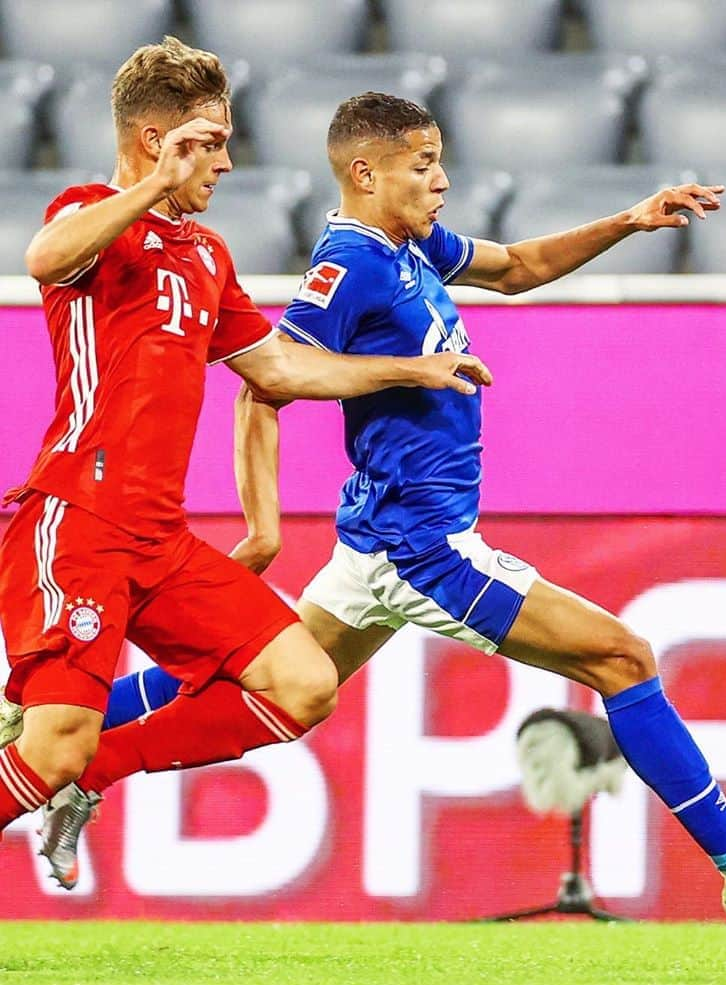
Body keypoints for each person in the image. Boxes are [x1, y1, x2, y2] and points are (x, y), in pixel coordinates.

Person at [18, 92, 726, 938]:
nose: (440, 181)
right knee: (623, 657)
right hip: (419, 546)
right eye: (423, 165)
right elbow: (267, 384)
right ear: (367, 172)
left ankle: (57, 745)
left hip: (372, 543)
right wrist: (267, 520)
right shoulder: (348, 265)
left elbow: (518, 269)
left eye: (439, 162)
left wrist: (630, 220)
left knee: (272, 675)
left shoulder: (415, 244)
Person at [0, 49, 490, 860]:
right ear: (157, 139)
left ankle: (101, 773)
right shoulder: (91, 212)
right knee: (53, 747)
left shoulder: (206, 256)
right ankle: (66, 762)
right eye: (209, 142)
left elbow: (277, 369)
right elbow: (44, 260)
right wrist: (156, 184)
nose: (227, 161)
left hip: (159, 540)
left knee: (305, 684)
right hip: (77, 520)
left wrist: (413, 367)